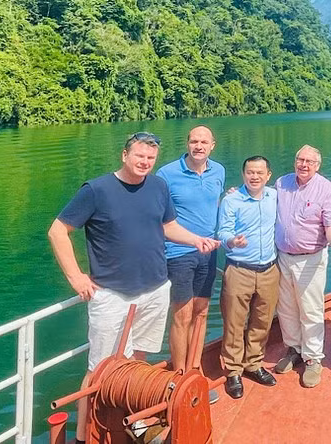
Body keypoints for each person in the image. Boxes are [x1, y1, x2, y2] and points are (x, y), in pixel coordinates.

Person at [47, 132, 220, 443]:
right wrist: (75, 276)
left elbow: (167, 226)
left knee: (136, 365)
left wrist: (195, 240)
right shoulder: (96, 190)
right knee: (99, 371)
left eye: (151, 158)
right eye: (139, 156)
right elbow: (58, 231)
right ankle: (84, 437)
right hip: (112, 294)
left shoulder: (158, 186)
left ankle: (133, 426)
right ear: (124, 155)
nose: (145, 162)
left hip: (154, 289)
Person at [273, 144, 331, 388]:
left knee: (311, 309)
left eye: (309, 161)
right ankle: (293, 349)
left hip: (311, 258)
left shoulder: (326, 190)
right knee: (286, 307)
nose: (303, 165)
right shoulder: (282, 183)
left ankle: (314, 358)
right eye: (300, 159)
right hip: (282, 256)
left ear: (318, 165)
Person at [156, 126, 224, 386]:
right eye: (194, 141)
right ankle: (179, 374)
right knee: (182, 315)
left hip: (208, 252)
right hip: (178, 252)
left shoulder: (218, 171)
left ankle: (196, 368)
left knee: (202, 311)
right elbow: (160, 216)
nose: (199, 146)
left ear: (212, 145)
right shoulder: (167, 174)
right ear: (187, 144)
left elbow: (212, 203)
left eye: (204, 142)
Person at [216, 156, 280, 399]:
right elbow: (223, 230)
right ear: (243, 175)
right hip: (239, 269)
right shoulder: (231, 200)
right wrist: (231, 241)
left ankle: (254, 364)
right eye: (250, 172)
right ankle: (233, 371)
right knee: (234, 322)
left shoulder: (275, 196)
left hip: (269, 270)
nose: (255, 176)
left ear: (268, 175)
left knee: (262, 321)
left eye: (259, 172)